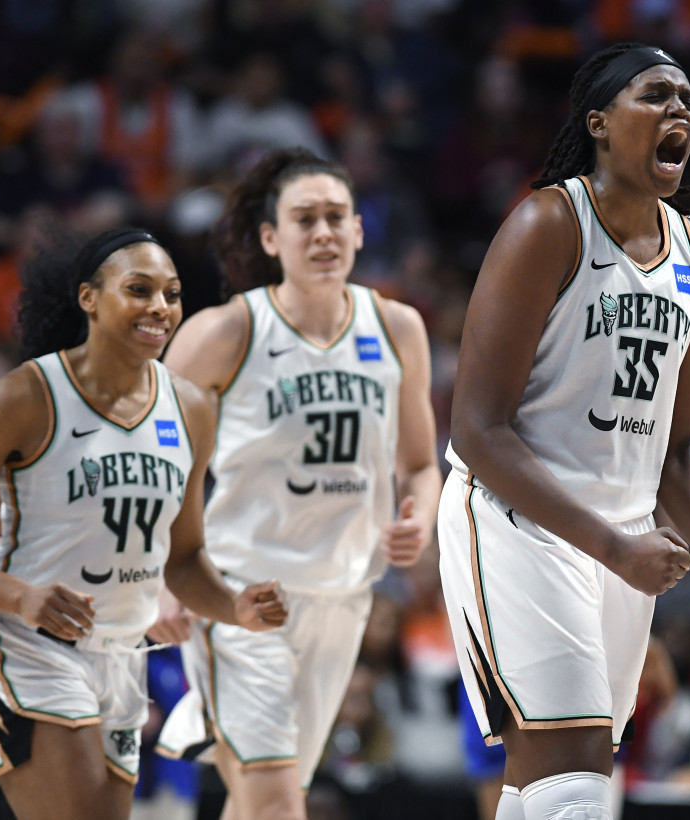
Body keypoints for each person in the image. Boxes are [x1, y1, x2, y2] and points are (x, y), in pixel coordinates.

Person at [436, 42, 690, 820]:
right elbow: (478, 429)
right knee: (575, 773)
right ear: (600, 124)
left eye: (687, 98)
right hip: (520, 519)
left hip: (624, 535)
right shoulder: (547, 224)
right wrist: (613, 547)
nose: (679, 110)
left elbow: (677, 447)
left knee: (546, 782)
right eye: (655, 96)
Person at [0, 227, 287, 820]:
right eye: (140, 289)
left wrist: (235, 608)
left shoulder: (191, 409)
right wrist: (20, 597)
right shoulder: (26, 397)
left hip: (124, 656)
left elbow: (181, 558)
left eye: (172, 294)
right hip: (27, 647)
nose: (161, 306)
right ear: (89, 299)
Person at [153, 147, 441, 820]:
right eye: (304, 219)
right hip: (242, 595)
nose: (323, 233)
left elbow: (423, 464)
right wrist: (157, 579)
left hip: (344, 598)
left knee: (263, 804)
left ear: (360, 229)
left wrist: (419, 518)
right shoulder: (226, 332)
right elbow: (153, 461)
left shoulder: (397, 329)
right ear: (270, 237)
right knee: (279, 804)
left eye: (337, 217)